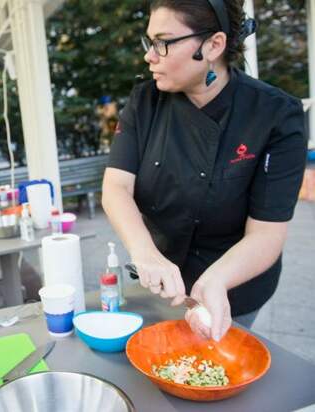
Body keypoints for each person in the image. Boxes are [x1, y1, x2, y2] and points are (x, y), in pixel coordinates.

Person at [102, 0, 306, 343]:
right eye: (149, 42)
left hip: (233, 285)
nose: (150, 56)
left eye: (163, 42)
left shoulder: (275, 115)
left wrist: (216, 281)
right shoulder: (145, 101)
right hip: (163, 278)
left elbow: (266, 234)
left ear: (213, 45)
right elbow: (116, 188)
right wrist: (146, 253)